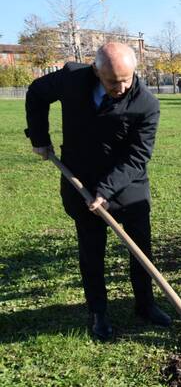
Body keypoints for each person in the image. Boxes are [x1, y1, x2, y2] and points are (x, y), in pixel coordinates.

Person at [25, 42, 170, 340]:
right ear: (96, 71)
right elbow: (36, 93)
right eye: (112, 81)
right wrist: (39, 137)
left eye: (126, 80)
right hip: (81, 179)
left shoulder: (146, 104)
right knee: (91, 250)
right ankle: (98, 312)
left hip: (128, 183)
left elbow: (137, 156)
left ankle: (145, 305)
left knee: (140, 247)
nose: (120, 87)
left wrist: (106, 190)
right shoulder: (71, 79)